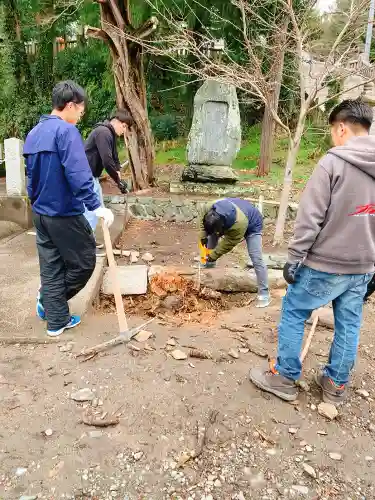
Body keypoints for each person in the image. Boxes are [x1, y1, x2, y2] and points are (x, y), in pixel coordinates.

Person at [249, 99, 375, 406]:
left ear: (342, 128)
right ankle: (335, 385)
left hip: (325, 263)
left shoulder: (333, 163)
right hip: (363, 266)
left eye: (334, 130)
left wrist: (294, 258)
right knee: (349, 321)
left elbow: (310, 218)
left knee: (294, 311)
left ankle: (285, 376)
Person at [24, 80, 114, 337]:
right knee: (84, 262)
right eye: (81, 111)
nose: (80, 116)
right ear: (71, 106)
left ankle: (57, 321)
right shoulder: (66, 132)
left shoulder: (34, 133)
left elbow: (31, 177)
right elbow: (78, 174)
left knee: (51, 266)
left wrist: (35, 203)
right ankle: (50, 302)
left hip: (40, 213)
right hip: (63, 213)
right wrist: (97, 206)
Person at [199, 198, 270, 308]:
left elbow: (228, 244)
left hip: (252, 224)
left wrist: (213, 256)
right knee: (211, 235)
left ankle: (264, 294)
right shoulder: (208, 207)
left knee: (256, 258)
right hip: (229, 220)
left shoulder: (238, 224)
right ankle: (208, 263)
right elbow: (202, 226)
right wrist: (203, 238)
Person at [83, 109, 132, 238]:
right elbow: (107, 160)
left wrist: (118, 176)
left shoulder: (110, 134)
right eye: (124, 127)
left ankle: (89, 241)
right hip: (85, 176)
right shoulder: (103, 133)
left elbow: (114, 158)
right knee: (92, 211)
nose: (124, 131)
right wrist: (118, 181)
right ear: (118, 122)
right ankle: (87, 244)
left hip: (92, 177)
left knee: (98, 208)